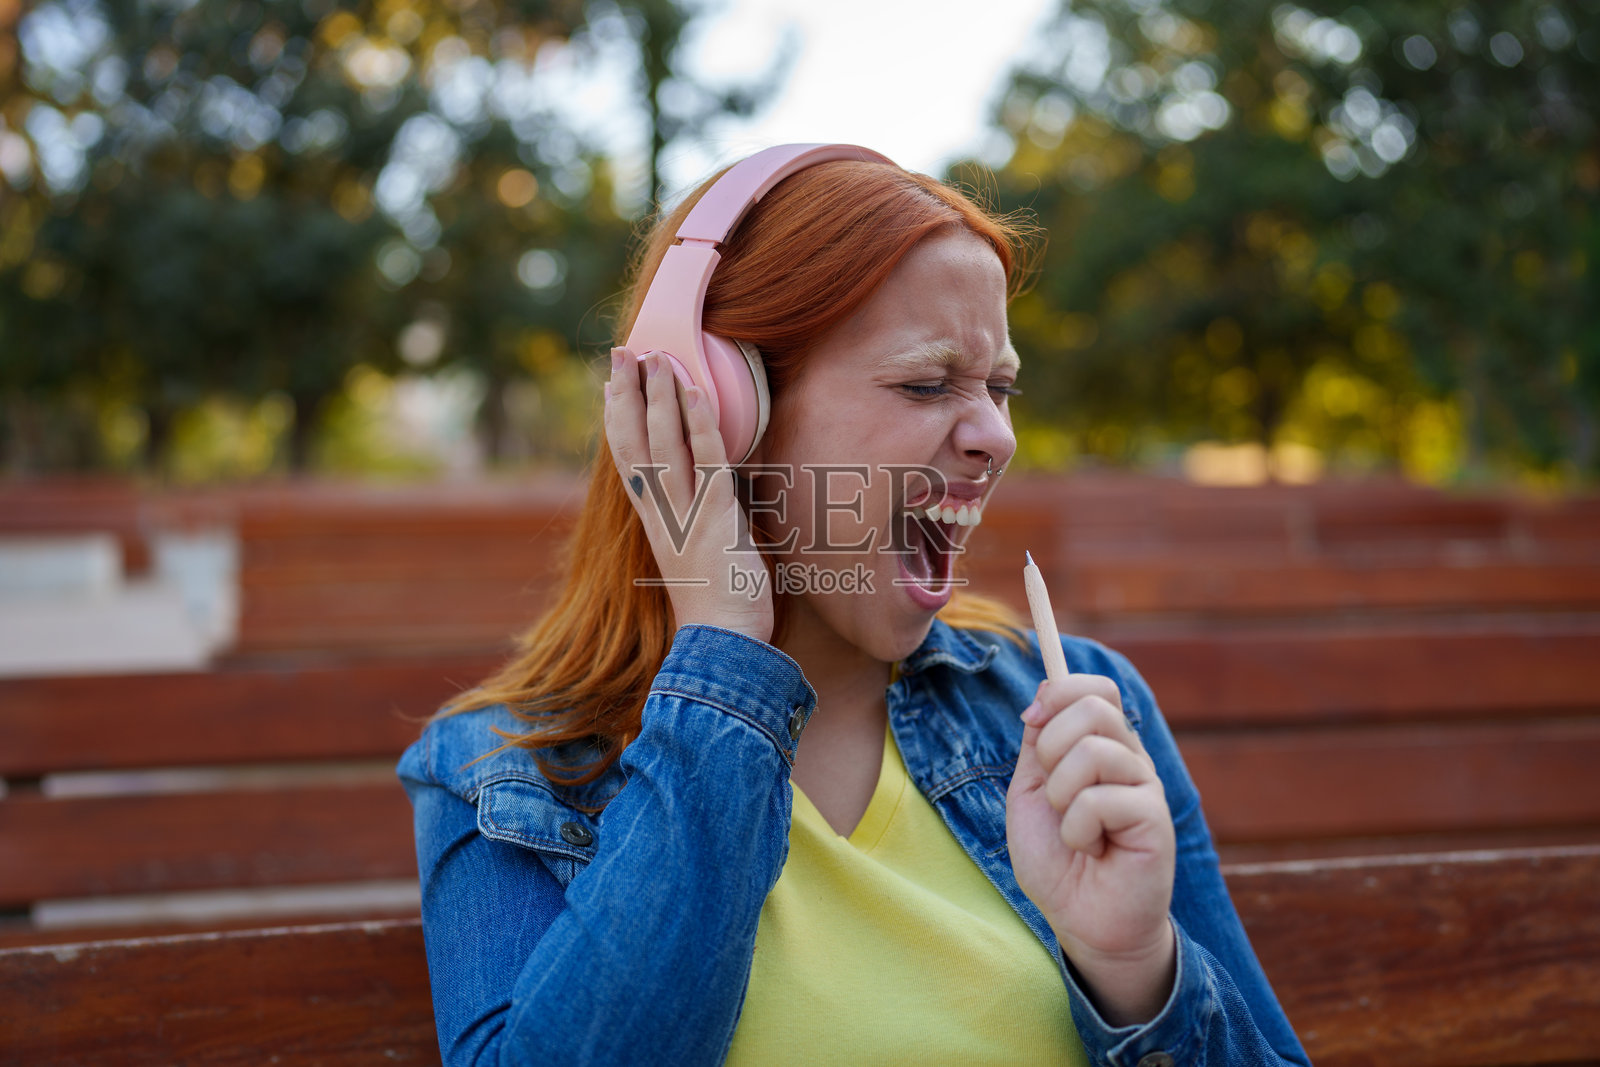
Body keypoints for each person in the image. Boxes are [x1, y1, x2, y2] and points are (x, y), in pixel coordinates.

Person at [398, 145, 1311, 1066]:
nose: (998, 436)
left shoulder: (1083, 709)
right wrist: (722, 649)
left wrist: (1135, 966)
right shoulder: (504, 770)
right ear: (714, 406)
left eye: (1001, 387)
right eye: (926, 382)